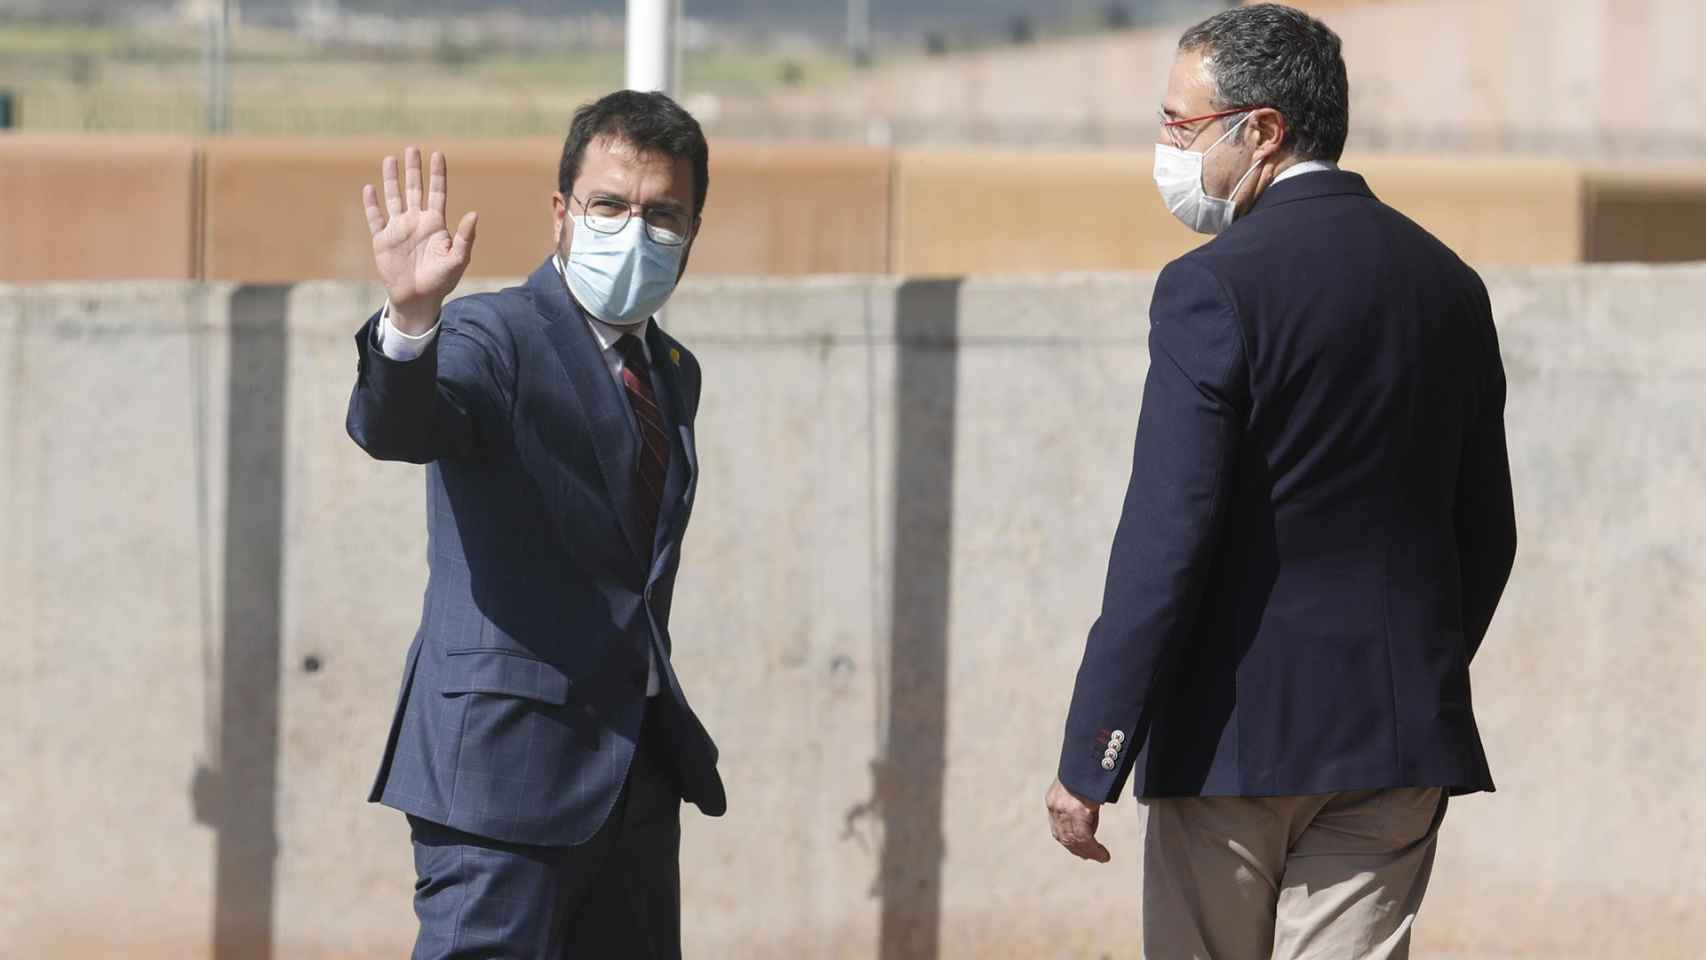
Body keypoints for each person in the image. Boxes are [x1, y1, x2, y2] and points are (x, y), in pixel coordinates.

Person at [1043, 5, 1517, 958]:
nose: (1168, 148)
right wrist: (1414, 674)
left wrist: (1094, 749)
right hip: (1391, 748)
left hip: (1231, 749)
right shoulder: (1450, 284)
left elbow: (1165, 540)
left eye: (1180, 124)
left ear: (1261, 130)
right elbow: (1488, 532)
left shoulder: (1210, 286)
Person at [346, 90, 725, 959]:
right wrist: (409, 323)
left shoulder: (672, 370)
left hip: (632, 784)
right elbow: (396, 425)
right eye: (610, 205)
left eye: (663, 213)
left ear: (694, 230)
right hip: (501, 785)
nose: (636, 231)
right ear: (561, 213)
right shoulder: (493, 334)